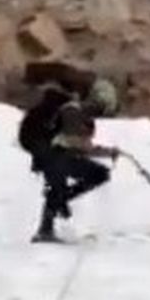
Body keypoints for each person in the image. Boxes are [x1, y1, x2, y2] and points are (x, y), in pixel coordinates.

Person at [17, 64, 122, 243]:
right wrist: (105, 152)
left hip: (47, 153)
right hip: (54, 154)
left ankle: (52, 216)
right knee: (87, 176)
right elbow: (75, 144)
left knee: (59, 185)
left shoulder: (67, 107)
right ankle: (48, 223)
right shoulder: (73, 110)